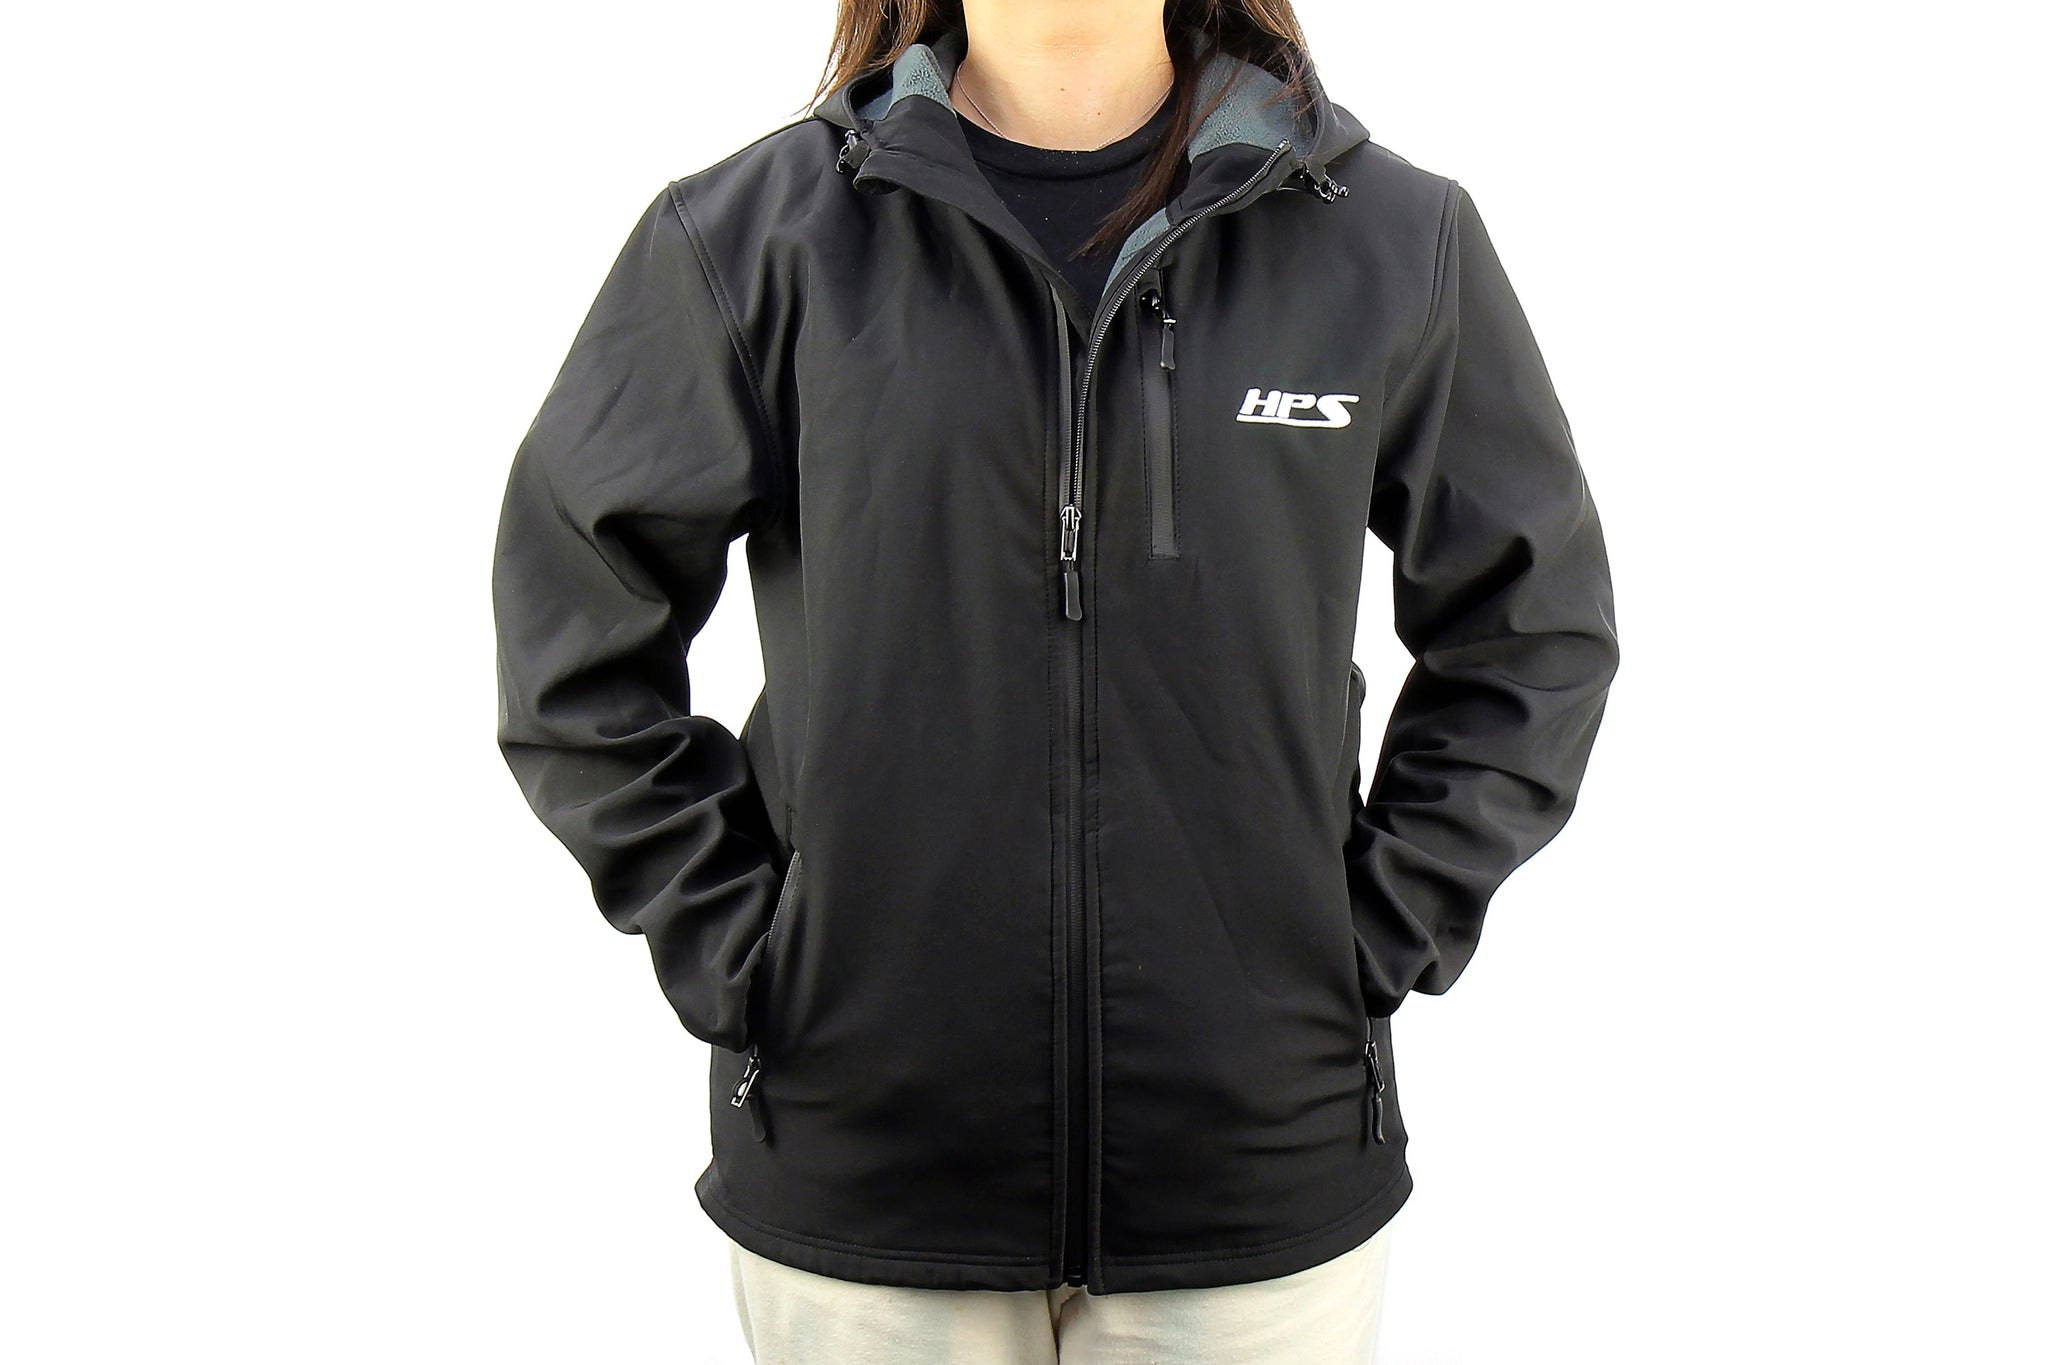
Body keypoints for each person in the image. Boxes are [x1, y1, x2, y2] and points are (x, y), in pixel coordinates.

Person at [490, 0, 1620, 1360]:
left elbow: (1531, 627)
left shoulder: (1385, 235)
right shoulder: (753, 238)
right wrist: (747, 953)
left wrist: (1369, 938)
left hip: (1257, 1172)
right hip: (867, 1171)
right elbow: (574, 626)